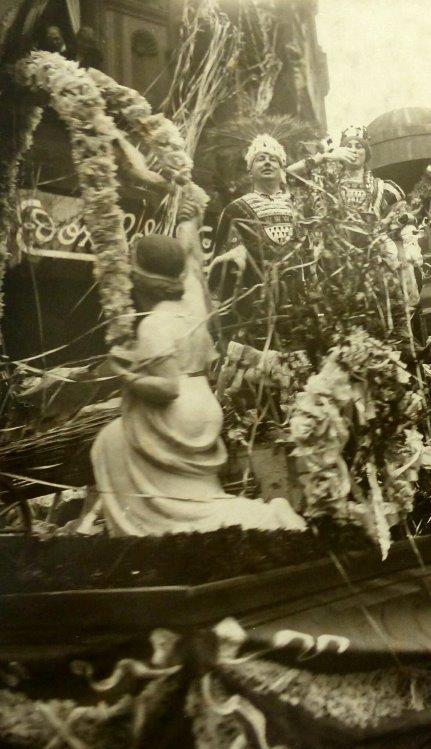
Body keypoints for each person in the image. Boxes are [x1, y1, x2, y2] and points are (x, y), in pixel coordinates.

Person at [91, 235, 305, 536]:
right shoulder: (192, 309)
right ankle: (248, 515)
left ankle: (158, 528)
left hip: (175, 412)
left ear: (139, 280)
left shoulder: (154, 324)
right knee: (188, 490)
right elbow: (193, 261)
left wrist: (125, 376)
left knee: (109, 443)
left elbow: (167, 389)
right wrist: (188, 222)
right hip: (203, 401)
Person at [208, 134, 299, 344]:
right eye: (260, 158)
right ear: (250, 170)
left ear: (282, 168)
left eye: (273, 159)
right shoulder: (235, 210)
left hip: (298, 305)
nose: (267, 163)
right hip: (252, 309)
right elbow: (222, 269)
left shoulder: (299, 207)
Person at [288, 125, 405, 222]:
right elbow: (288, 173)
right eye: (348, 146)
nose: (353, 150)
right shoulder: (326, 184)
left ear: (366, 153)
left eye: (359, 146)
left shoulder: (382, 188)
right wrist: (324, 157)